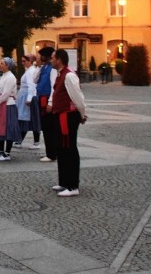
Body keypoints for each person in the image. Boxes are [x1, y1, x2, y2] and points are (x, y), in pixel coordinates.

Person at [50, 49, 88, 197]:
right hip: (60, 115)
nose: (51, 60)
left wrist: (83, 113)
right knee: (61, 148)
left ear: (59, 60)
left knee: (69, 148)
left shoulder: (69, 75)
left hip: (68, 116)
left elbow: (78, 97)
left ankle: (73, 186)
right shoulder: (60, 74)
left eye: (53, 58)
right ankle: (64, 181)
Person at [36, 46, 58, 162]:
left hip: (47, 98)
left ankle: (51, 154)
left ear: (46, 56)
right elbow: (35, 80)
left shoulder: (53, 70)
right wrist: (38, 67)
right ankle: (49, 152)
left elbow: (54, 86)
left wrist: (50, 102)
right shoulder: (44, 68)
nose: (38, 57)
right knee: (45, 127)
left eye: (40, 55)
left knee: (49, 128)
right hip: (41, 98)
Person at [15, 54, 42, 149]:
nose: (22, 63)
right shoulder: (29, 70)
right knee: (27, 118)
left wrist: (29, 98)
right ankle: (23, 140)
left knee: (28, 118)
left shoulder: (31, 71)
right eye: (22, 61)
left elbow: (32, 85)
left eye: (24, 61)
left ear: (30, 61)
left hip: (28, 96)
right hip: (26, 95)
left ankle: (33, 141)